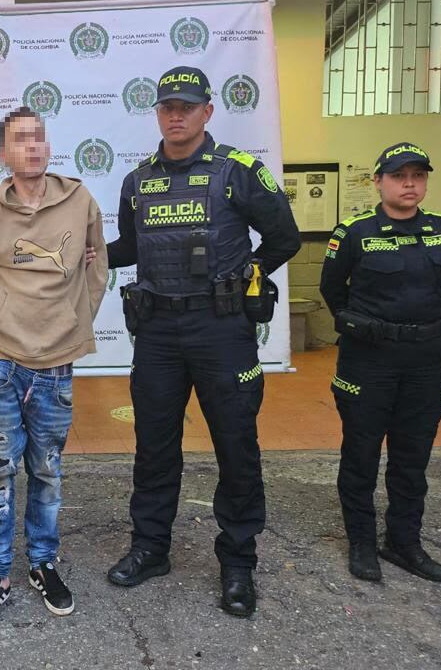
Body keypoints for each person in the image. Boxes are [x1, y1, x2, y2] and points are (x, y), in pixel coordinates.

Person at [105, 66, 300, 618]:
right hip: (159, 332)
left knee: (236, 445)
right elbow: (130, 246)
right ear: (157, 113)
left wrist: (248, 272)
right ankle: (150, 548)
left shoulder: (238, 172)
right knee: (154, 446)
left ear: (207, 112)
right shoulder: (138, 180)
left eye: (186, 106)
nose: (175, 114)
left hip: (221, 330)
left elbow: (284, 237)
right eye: (167, 105)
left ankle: (237, 562)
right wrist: (83, 251)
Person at [0, 106, 108, 632]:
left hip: (55, 363)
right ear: (2, 153)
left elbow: (97, 272)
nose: (32, 146)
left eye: (39, 137)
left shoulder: (80, 201)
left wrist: (70, 325)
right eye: (20, 139)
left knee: (46, 469)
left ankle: (43, 563)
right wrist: (4, 320)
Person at [320, 143, 441, 584]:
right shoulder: (354, 232)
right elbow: (332, 290)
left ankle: (404, 542)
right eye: (399, 176)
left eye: (418, 175)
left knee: (412, 456)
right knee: (360, 453)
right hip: (370, 360)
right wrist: (365, 326)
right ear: (379, 181)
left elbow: (440, 286)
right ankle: (361, 541)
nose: (410, 184)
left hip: (425, 359)